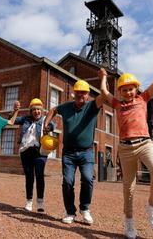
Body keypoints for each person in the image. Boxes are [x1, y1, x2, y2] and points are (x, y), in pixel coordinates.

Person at [98, 47, 153, 238]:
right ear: (121, 92)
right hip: (125, 148)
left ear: (136, 89)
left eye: (131, 89)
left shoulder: (143, 99)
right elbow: (103, 91)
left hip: (145, 143)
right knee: (128, 188)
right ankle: (129, 223)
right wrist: (103, 76)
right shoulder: (117, 104)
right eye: (124, 90)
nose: (128, 92)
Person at [44, 79, 103, 225]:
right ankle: (70, 212)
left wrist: (103, 78)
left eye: (83, 93)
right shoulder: (66, 107)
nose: (81, 95)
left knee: (88, 179)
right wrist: (46, 124)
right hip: (68, 153)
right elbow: (53, 110)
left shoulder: (92, 106)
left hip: (86, 152)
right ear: (74, 93)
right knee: (68, 182)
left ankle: (85, 208)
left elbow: (104, 95)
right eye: (78, 92)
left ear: (88, 94)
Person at [12, 98, 54, 212]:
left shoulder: (45, 119)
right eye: (34, 109)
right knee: (29, 177)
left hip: (40, 152)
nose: (37, 111)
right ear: (31, 111)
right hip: (26, 151)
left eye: (39, 109)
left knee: (39, 175)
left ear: (42, 110)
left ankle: (40, 203)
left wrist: (48, 127)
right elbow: (12, 121)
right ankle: (29, 202)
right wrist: (15, 110)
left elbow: (52, 125)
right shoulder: (25, 119)